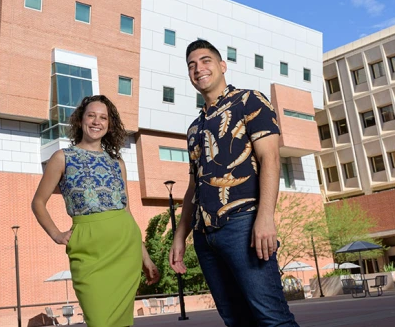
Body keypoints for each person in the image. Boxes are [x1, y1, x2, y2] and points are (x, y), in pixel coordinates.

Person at [169, 40, 298, 327]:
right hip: (205, 236)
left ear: (222, 65)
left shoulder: (249, 100)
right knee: (235, 320)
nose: (198, 69)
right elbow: (194, 186)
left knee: (272, 318)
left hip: (243, 225)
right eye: (191, 65)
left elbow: (271, 159)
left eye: (205, 61)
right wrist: (181, 234)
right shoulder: (194, 128)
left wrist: (265, 218)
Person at [32, 95, 160, 327]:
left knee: (122, 322)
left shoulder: (116, 163)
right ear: (81, 120)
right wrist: (57, 234)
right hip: (87, 249)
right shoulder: (62, 158)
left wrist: (146, 259)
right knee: (99, 320)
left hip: (125, 245)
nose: (96, 121)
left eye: (103, 118)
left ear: (109, 125)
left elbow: (127, 211)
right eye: (91, 115)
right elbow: (38, 202)